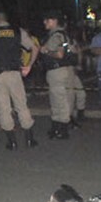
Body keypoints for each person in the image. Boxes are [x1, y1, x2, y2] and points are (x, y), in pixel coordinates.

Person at [0, 12, 39, 150]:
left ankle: (12, 142)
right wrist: (29, 66)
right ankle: (30, 139)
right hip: (14, 73)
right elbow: (34, 48)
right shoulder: (18, 31)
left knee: (4, 108)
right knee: (21, 105)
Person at [41, 10, 74, 140]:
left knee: (60, 100)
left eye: (47, 20)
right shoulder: (62, 34)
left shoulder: (56, 35)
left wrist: (46, 51)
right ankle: (56, 127)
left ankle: (63, 129)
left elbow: (59, 54)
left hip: (57, 70)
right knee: (55, 99)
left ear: (54, 21)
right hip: (59, 70)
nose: (45, 22)